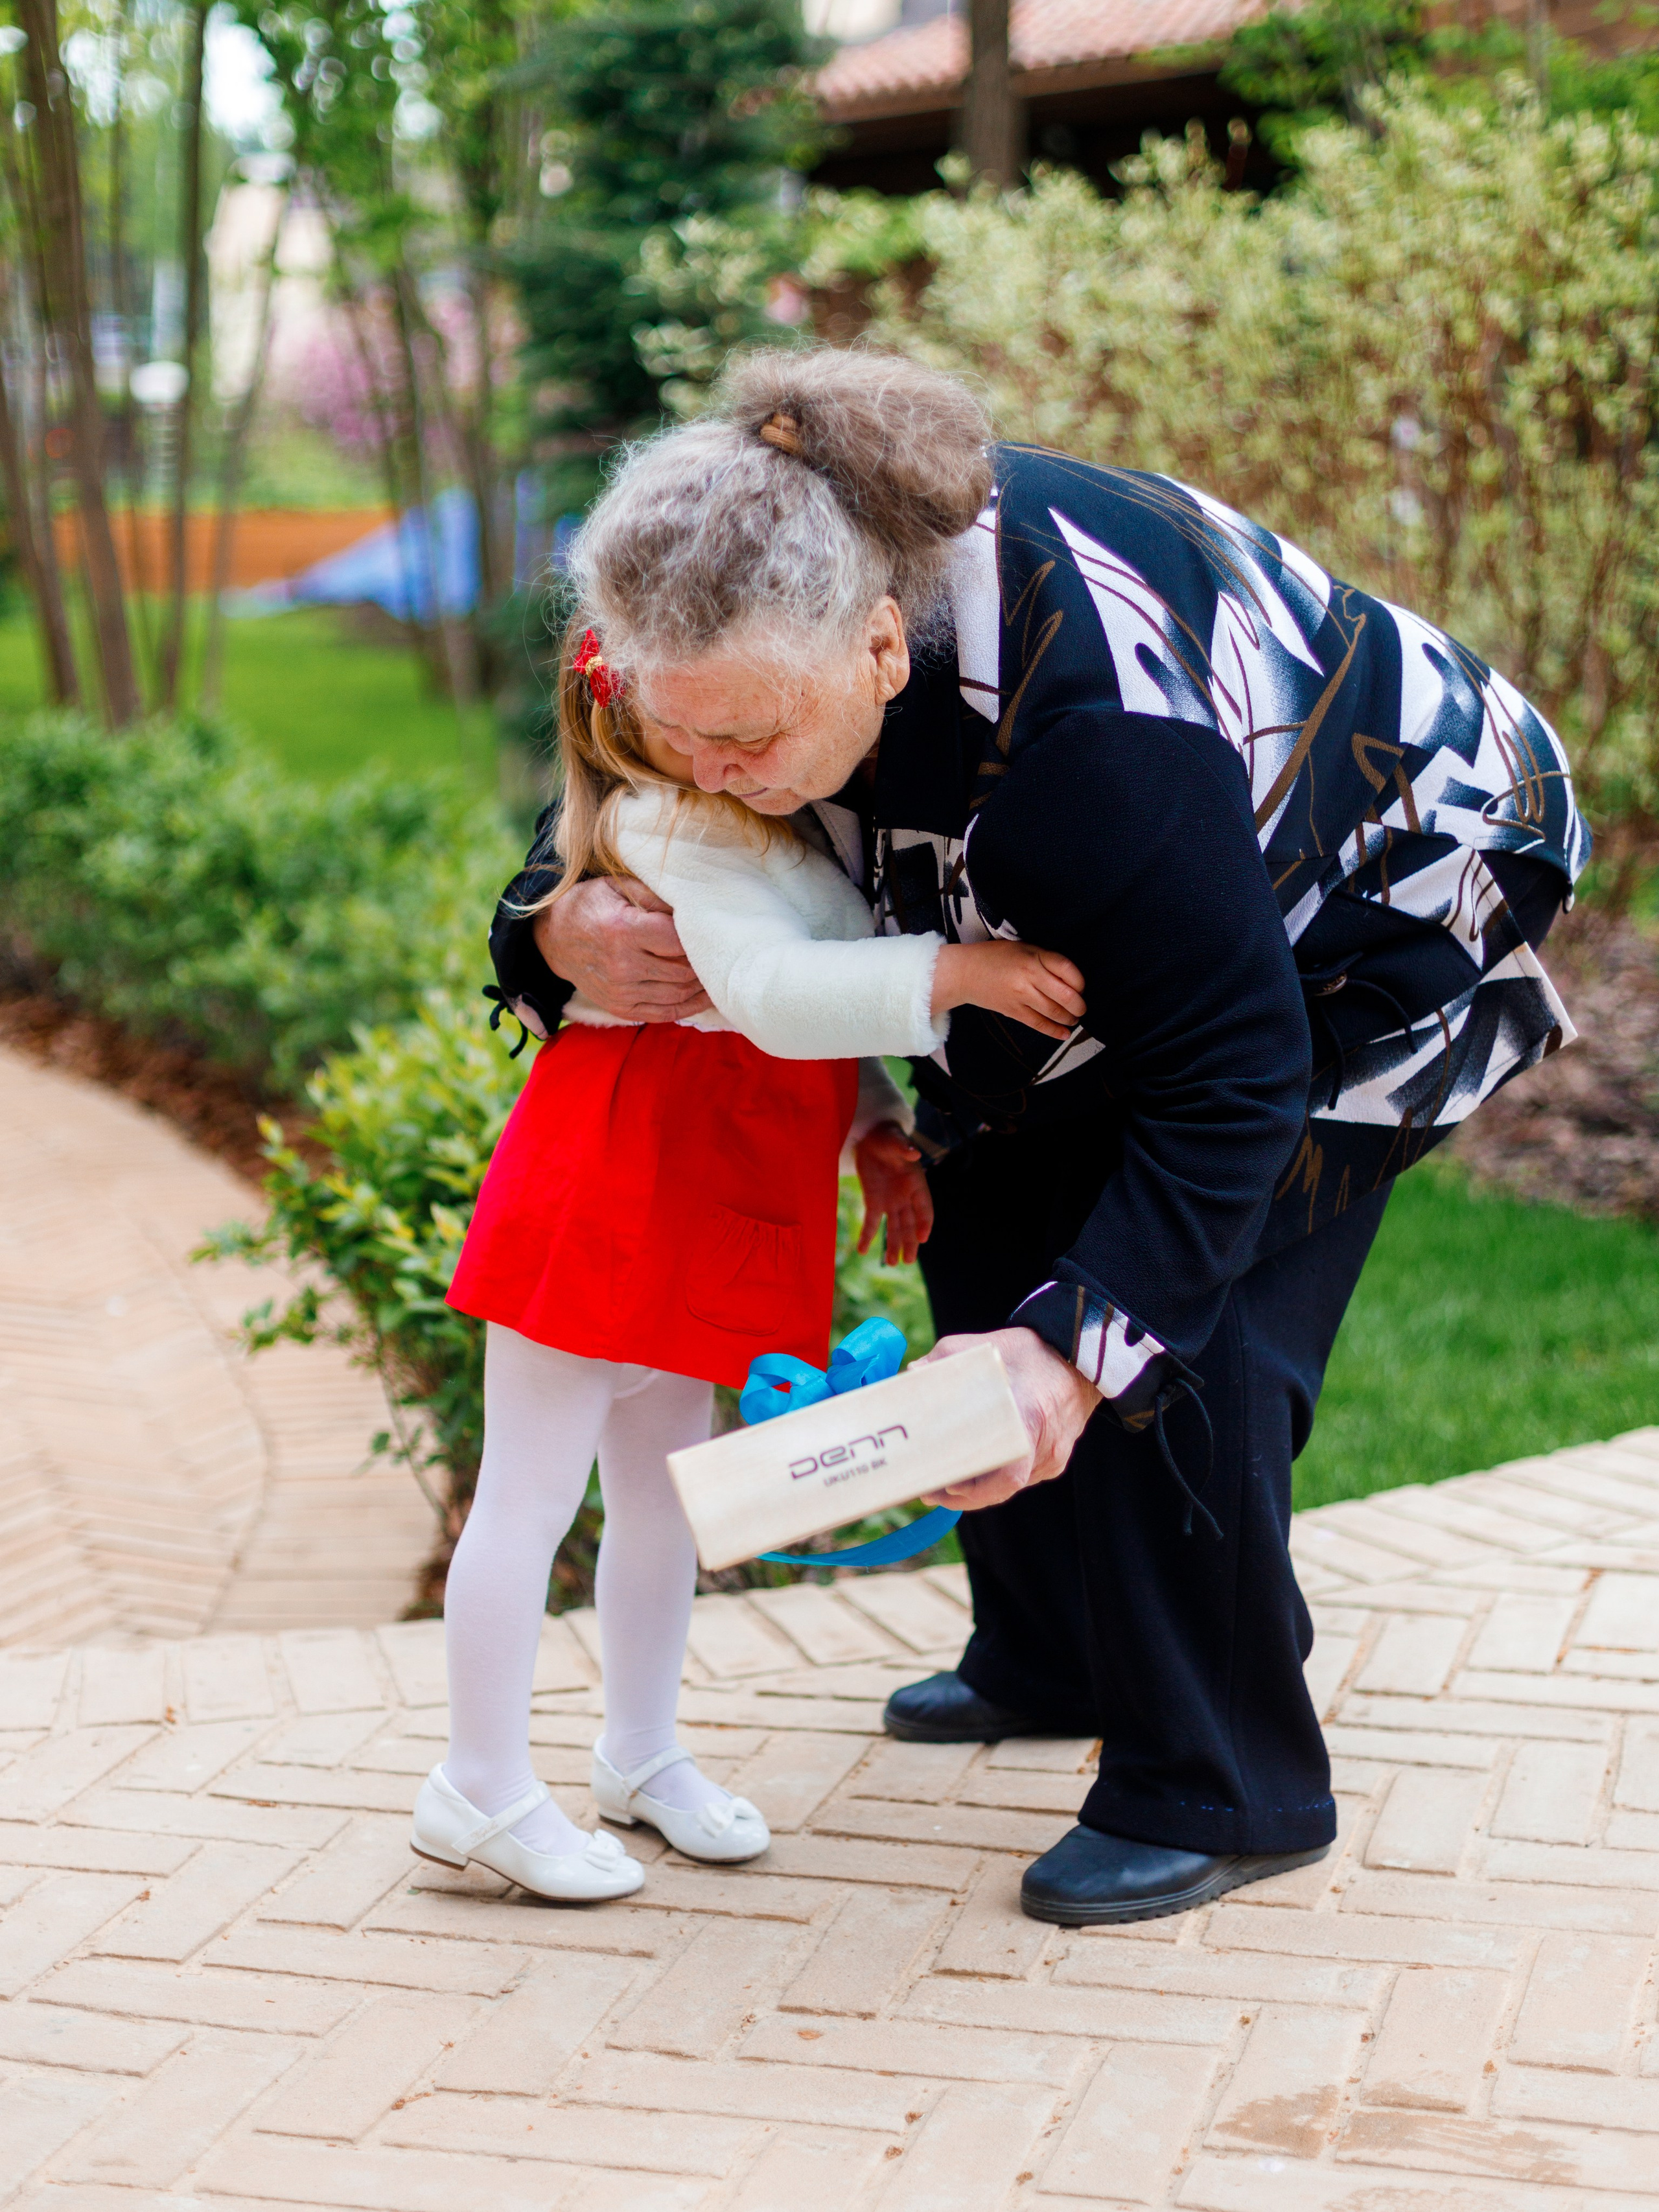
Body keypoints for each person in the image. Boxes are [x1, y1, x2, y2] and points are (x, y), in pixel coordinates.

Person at [489, 347, 1589, 1926]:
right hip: (1105, 884)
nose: (711, 782)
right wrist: (550, 931)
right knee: (985, 1192)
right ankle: (1052, 1647)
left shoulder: (1095, 737)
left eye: (746, 748)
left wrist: (1075, 1346)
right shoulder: (727, 639)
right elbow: (627, 799)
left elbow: (1229, 1075)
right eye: (682, 739)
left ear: (879, 647)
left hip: (1382, 892)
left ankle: (1220, 1781)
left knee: (1167, 1307)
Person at [417, 621, 1085, 1903]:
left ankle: (638, 1750)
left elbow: (801, 1013)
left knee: (662, 1495)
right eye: (699, 722)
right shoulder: (663, 833)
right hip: (613, 1182)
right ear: (641, 722)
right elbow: (779, 995)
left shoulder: (775, 822)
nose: (727, 745)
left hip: (709, 1184)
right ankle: (478, 1783)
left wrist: (876, 1122)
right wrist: (961, 975)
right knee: (530, 1495)